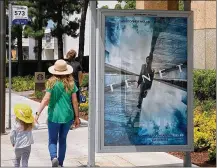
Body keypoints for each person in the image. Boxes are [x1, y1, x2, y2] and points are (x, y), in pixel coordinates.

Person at [34, 59, 80, 167]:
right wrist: (77, 117)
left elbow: (46, 99)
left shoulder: (51, 82)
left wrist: (37, 114)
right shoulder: (71, 83)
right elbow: (75, 101)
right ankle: (61, 163)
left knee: (52, 140)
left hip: (54, 116)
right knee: (63, 140)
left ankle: (54, 157)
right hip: (68, 116)